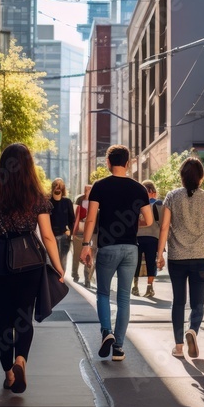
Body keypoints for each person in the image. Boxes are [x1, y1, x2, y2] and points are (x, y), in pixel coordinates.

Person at [0, 143, 66, 393]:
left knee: (2, 320)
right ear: (28, 167)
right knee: (24, 317)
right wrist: (58, 267)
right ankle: (21, 360)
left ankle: (9, 375)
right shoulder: (37, 197)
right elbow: (47, 236)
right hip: (29, 262)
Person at [80, 146, 153, 362]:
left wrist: (86, 244)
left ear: (108, 163)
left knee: (102, 293)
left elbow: (91, 218)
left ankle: (106, 332)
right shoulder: (139, 189)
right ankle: (119, 348)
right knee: (123, 298)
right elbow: (149, 220)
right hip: (131, 248)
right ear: (128, 163)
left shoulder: (100, 186)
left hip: (107, 247)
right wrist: (132, 223)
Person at [156, 157, 204, 359]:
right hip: (201, 258)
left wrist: (159, 254)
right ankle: (193, 329)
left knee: (178, 302)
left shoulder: (172, 197)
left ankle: (178, 346)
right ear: (201, 177)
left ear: (182, 177)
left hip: (177, 258)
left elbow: (164, 227)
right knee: (198, 304)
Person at [132, 180, 162, 298]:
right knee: (151, 263)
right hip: (152, 238)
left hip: (138, 237)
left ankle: (135, 286)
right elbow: (162, 223)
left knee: (136, 262)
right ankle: (149, 287)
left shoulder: (136, 204)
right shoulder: (158, 204)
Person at [48, 178, 76, 270]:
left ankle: (60, 282)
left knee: (62, 262)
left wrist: (70, 231)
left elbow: (72, 218)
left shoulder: (67, 202)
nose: (58, 187)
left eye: (60, 186)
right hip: (50, 236)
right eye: (56, 185)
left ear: (63, 188)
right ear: (53, 187)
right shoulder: (47, 202)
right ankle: (51, 283)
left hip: (64, 235)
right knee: (50, 261)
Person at [70, 186, 92, 287]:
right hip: (79, 230)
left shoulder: (95, 200)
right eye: (87, 189)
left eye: (90, 189)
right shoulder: (80, 199)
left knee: (88, 255)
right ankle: (75, 273)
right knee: (77, 254)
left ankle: (87, 279)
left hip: (91, 230)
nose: (88, 191)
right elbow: (75, 214)